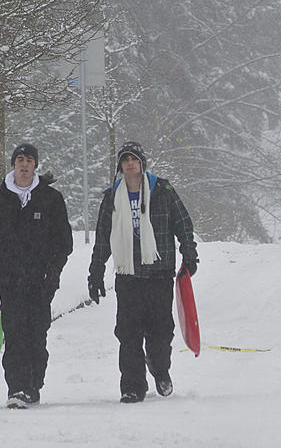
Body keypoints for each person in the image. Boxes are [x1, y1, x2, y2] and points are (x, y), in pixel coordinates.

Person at [88, 142, 198, 404]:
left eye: (134, 159)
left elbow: (182, 222)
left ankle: (160, 370)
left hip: (159, 273)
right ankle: (132, 386)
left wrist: (189, 253)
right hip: (128, 277)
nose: (130, 164)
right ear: (120, 166)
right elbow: (103, 237)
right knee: (128, 334)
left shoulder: (163, 190)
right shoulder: (112, 196)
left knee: (161, 332)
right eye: (125, 160)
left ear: (142, 163)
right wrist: (96, 271)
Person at [0, 142, 73, 408]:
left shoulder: (50, 199)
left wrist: (53, 274)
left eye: (29, 160)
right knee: (15, 335)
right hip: (9, 283)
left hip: (40, 283)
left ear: (35, 166)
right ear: (13, 164)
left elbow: (63, 242)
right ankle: (16, 388)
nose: (24, 164)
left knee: (36, 335)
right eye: (20, 159)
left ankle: (34, 384)